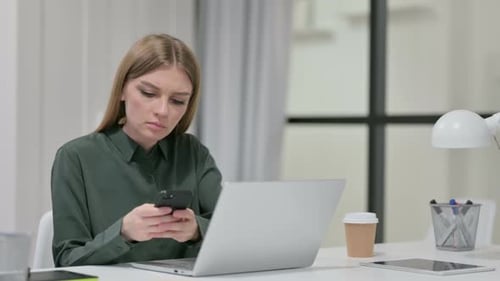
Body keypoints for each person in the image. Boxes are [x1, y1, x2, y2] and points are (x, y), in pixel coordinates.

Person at [51, 34, 222, 267]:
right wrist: (122, 233)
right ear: (122, 90)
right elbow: (67, 260)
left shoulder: (193, 153)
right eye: (149, 94)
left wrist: (196, 230)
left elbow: (234, 234)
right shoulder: (75, 158)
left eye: (178, 101)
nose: (162, 111)